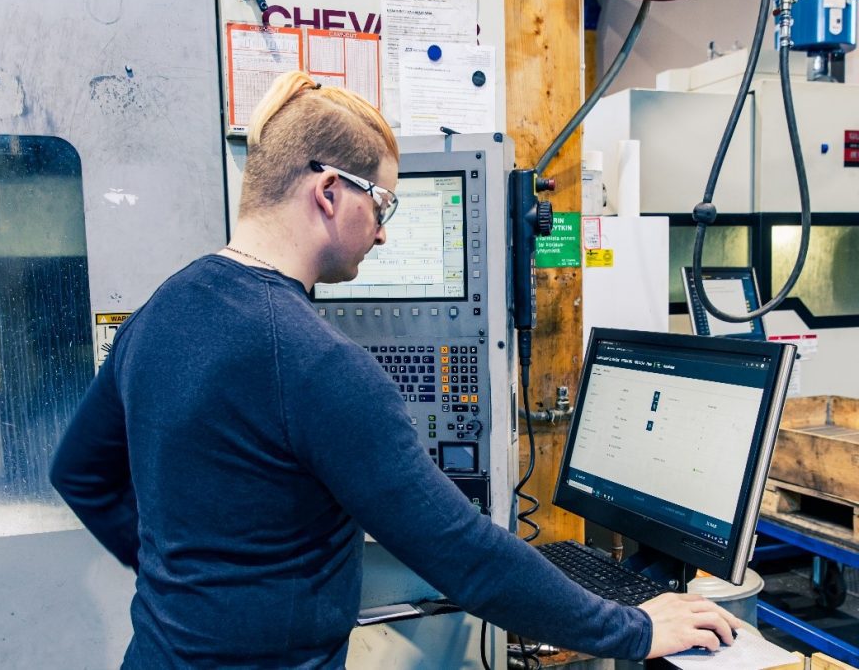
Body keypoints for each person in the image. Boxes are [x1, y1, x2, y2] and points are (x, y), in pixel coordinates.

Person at [50, 70, 740, 669]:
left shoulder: (161, 310)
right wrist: (636, 626)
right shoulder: (317, 365)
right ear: (328, 192)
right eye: (382, 206)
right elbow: (466, 554)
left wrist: (179, 581)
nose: (382, 232)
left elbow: (78, 472)